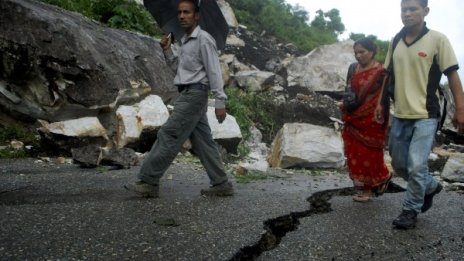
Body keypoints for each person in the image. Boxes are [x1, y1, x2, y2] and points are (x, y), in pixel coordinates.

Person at [125, 0, 233, 198]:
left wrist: (220, 102)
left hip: (195, 95)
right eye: (180, 13)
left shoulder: (204, 40)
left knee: (169, 134)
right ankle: (221, 183)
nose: (182, 16)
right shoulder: (185, 41)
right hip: (187, 92)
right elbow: (179, 71)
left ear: (197, 16)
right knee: (203, 142)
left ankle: (148, 181)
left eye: (187, 12)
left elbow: (214, 72)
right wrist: (167, 50)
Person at [375, 0, 464, 229]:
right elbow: (387, 76)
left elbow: (452, 75)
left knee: (416, 166)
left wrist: (461, 109)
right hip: (401, 113)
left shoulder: (438, 39)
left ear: (425, 11)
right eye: (403, 9)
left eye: (413, 9)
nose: (407, 13)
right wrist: (380, 105)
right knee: (400, 164)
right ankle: (430, 186)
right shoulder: (395, 40)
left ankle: (410, 210)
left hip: (426, 114)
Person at [341, 38, 391, 203]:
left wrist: (380, 115)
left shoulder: (381, 71)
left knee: (369, 153)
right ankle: (369, 183)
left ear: (372, 52)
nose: (358, 56)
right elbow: (348, 89)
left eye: (362, 52)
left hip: (371, 118)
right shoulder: (353, 68)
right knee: (355, 151)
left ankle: (369, 189)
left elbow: (384, 96)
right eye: (356, 52)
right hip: (354, 115)